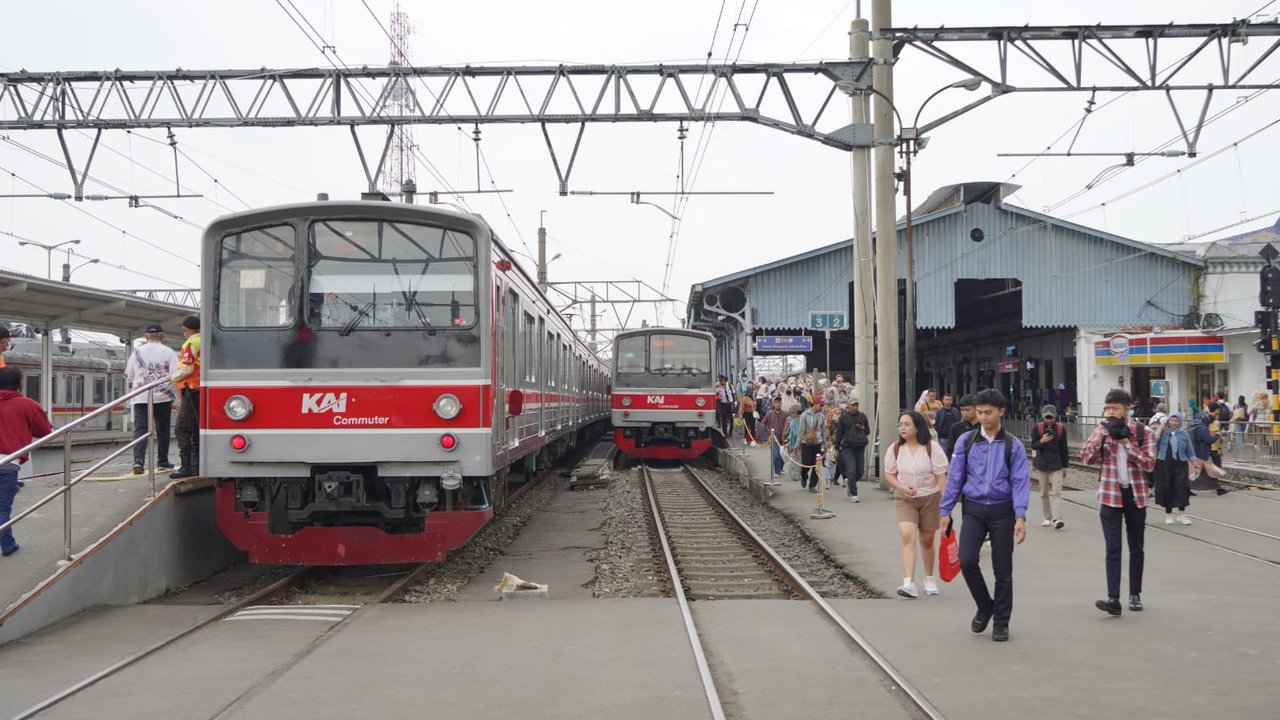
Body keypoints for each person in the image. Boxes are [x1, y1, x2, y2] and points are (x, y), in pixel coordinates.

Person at [939, 389, 1030, 642]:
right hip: (974, 509)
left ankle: (1001, 622)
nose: (983, 417)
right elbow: (955, 477)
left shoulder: (1013, 445)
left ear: (1001, 412)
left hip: (1003, 510)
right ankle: (985, 605)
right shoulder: (966, 441)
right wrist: (945, 510)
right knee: (967, 560)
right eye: (979, 413)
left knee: (1003, 570)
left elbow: (1020, 481)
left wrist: (1020, 516)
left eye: (988, 412)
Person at [1081, 389, 1157, 616]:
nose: (1111, 412)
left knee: (1136, 546)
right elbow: (1086, 458)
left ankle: (1135, 593)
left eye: (1115, 408)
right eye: (1108, 408)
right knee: (1112, 547)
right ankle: (1113, 597)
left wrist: (1126, 444)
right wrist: (1103, 436)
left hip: (1135, 494)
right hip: (1110, 495)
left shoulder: (1144, 432)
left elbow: (1149, 464)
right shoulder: (1101, 429)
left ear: (1127, 409)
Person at [885, 411, 949, 598]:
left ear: (917, 426)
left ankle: (929, 578)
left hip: (930, 497)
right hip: (905, 499)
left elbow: (940, 476)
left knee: (927, 540)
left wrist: (947, 505)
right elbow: (890, 474)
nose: (902, 428)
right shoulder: (895, 448)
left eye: (906, 424)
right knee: (907, 535)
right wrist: (902, 486)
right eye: (900, 425)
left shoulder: (932, 448)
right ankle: (908, 582)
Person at [0, 367, 54, 557]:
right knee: (2, 508)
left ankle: (8, 541)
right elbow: (44, 431)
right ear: (19, 384)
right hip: (8, 464)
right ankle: (7, 544)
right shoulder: (27, 404)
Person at [125, 323, 179, 475]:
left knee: (140, 430)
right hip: (163, 397)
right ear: (162, 336)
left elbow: (129, 375)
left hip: (141, 396)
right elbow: (175, 376)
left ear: (145, 336)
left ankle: (138, 461)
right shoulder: (168, 352)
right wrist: (178, 398)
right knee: (163, 430)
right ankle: (162, 461)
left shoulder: (136, 352)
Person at [170, 315, 202, 480]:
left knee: (182, 429)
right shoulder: (206, 340)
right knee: (197, 429)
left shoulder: (191, 343)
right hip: (202, 391)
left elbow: (187, 368)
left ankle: (187, 466)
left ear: (184, 329)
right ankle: (198, 465)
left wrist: (173, 377)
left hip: (192, 390)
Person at [1029, 405, 1069, 530]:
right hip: (1042, 464)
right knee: (1044, 492)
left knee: (1057, 491)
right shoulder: (1038, 428)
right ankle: (1047, 517)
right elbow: (1033, 445)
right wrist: (1042, 441)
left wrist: (1065, 466)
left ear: (1055, 416)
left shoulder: (1061, 428)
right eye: (1047, 417)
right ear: (1043, 416)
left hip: (1056, 464)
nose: (1049, 420)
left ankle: (1057, 518)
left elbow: (1064, 448)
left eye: (1051, 417)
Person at [1153, 411, 1194, 525]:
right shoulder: (1164, 432)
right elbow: (1154, 440)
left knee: (1182, 487)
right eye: (1171, 420)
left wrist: (1195, 463)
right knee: (1167, 487)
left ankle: (1182, 514)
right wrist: (1161, 425)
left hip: (1180, 463)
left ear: (1179, 422)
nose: (1174, 423)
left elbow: (1189, 450)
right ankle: (1168, 514)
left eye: (1176, 421)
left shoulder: (1184, 434)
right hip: (1164, 463)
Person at [835, 397, 870, 502]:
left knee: (860, 471)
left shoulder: (862, 416)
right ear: (848, 406)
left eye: (856, 405)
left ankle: (851, 484)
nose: (855, 407)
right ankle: (854, 493)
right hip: (847, 447)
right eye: (853, 405)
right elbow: (839, 434)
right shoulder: (843, 418)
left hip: (860, 446)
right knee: (851, 470)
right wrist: (837, 448)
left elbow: (868, 431)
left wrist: (863, 428)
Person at [797, 399, 827, 492]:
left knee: (817, 464)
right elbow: (801, 430)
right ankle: (804, 476)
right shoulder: (804, 415)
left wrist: (824, 443)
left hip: (817, 442)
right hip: (806, 442)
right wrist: (797, 443)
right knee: (806, 462)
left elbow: (823, 430)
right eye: (820, 405)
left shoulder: (822, 416)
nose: (821, 407)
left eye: (822, 405)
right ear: (814, 404)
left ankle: (812, 485)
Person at [758, 396, 788, 483]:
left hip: (784, 438)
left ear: (782, 404)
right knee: (776, 455)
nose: (778, 404)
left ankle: (781, 468)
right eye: (776, 402)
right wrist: (767, 434)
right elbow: (763, 423)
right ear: (773, 404)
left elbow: (790, 423)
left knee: (783, 455)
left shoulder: (786, 414)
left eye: (779, 402)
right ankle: (777, 471)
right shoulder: (770, 414)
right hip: (774, 438)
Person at [945, 394, 979, 460]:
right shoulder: (955, 427)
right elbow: (951, 451)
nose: (964, 413)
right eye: (962, 410)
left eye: (968, 410)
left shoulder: (984, 427)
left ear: (976, 409)